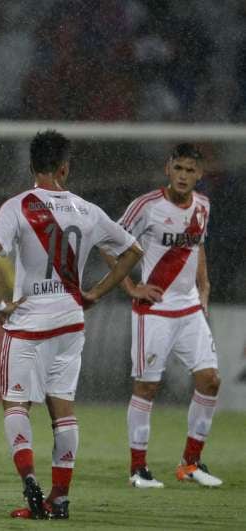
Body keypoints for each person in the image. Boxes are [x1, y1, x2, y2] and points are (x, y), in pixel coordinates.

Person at [0, 130, 143, 520]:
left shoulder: (19, 206)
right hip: (71, 320)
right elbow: (133, 251)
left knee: (16, 403)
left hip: (29, 322)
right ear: (65, 169)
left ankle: (30, 482)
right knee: (63, 409)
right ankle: (61, 497)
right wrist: (97, 292)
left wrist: (0, 305)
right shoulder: (88, 211)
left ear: (31, 166)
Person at [108, 144, 222, 488]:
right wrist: (130, 287)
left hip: (188, 309)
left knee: (210, 380)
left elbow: (197, 245)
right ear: (167, 169)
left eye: (190, 170)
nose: (184, 176)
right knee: (147, 385)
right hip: (154, 309)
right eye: (179, 169)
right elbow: (109, 242)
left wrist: (204, 287)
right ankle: (138, 469)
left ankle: (190, 463)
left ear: (199, 174)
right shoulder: (146, 206)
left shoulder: (203, 205)